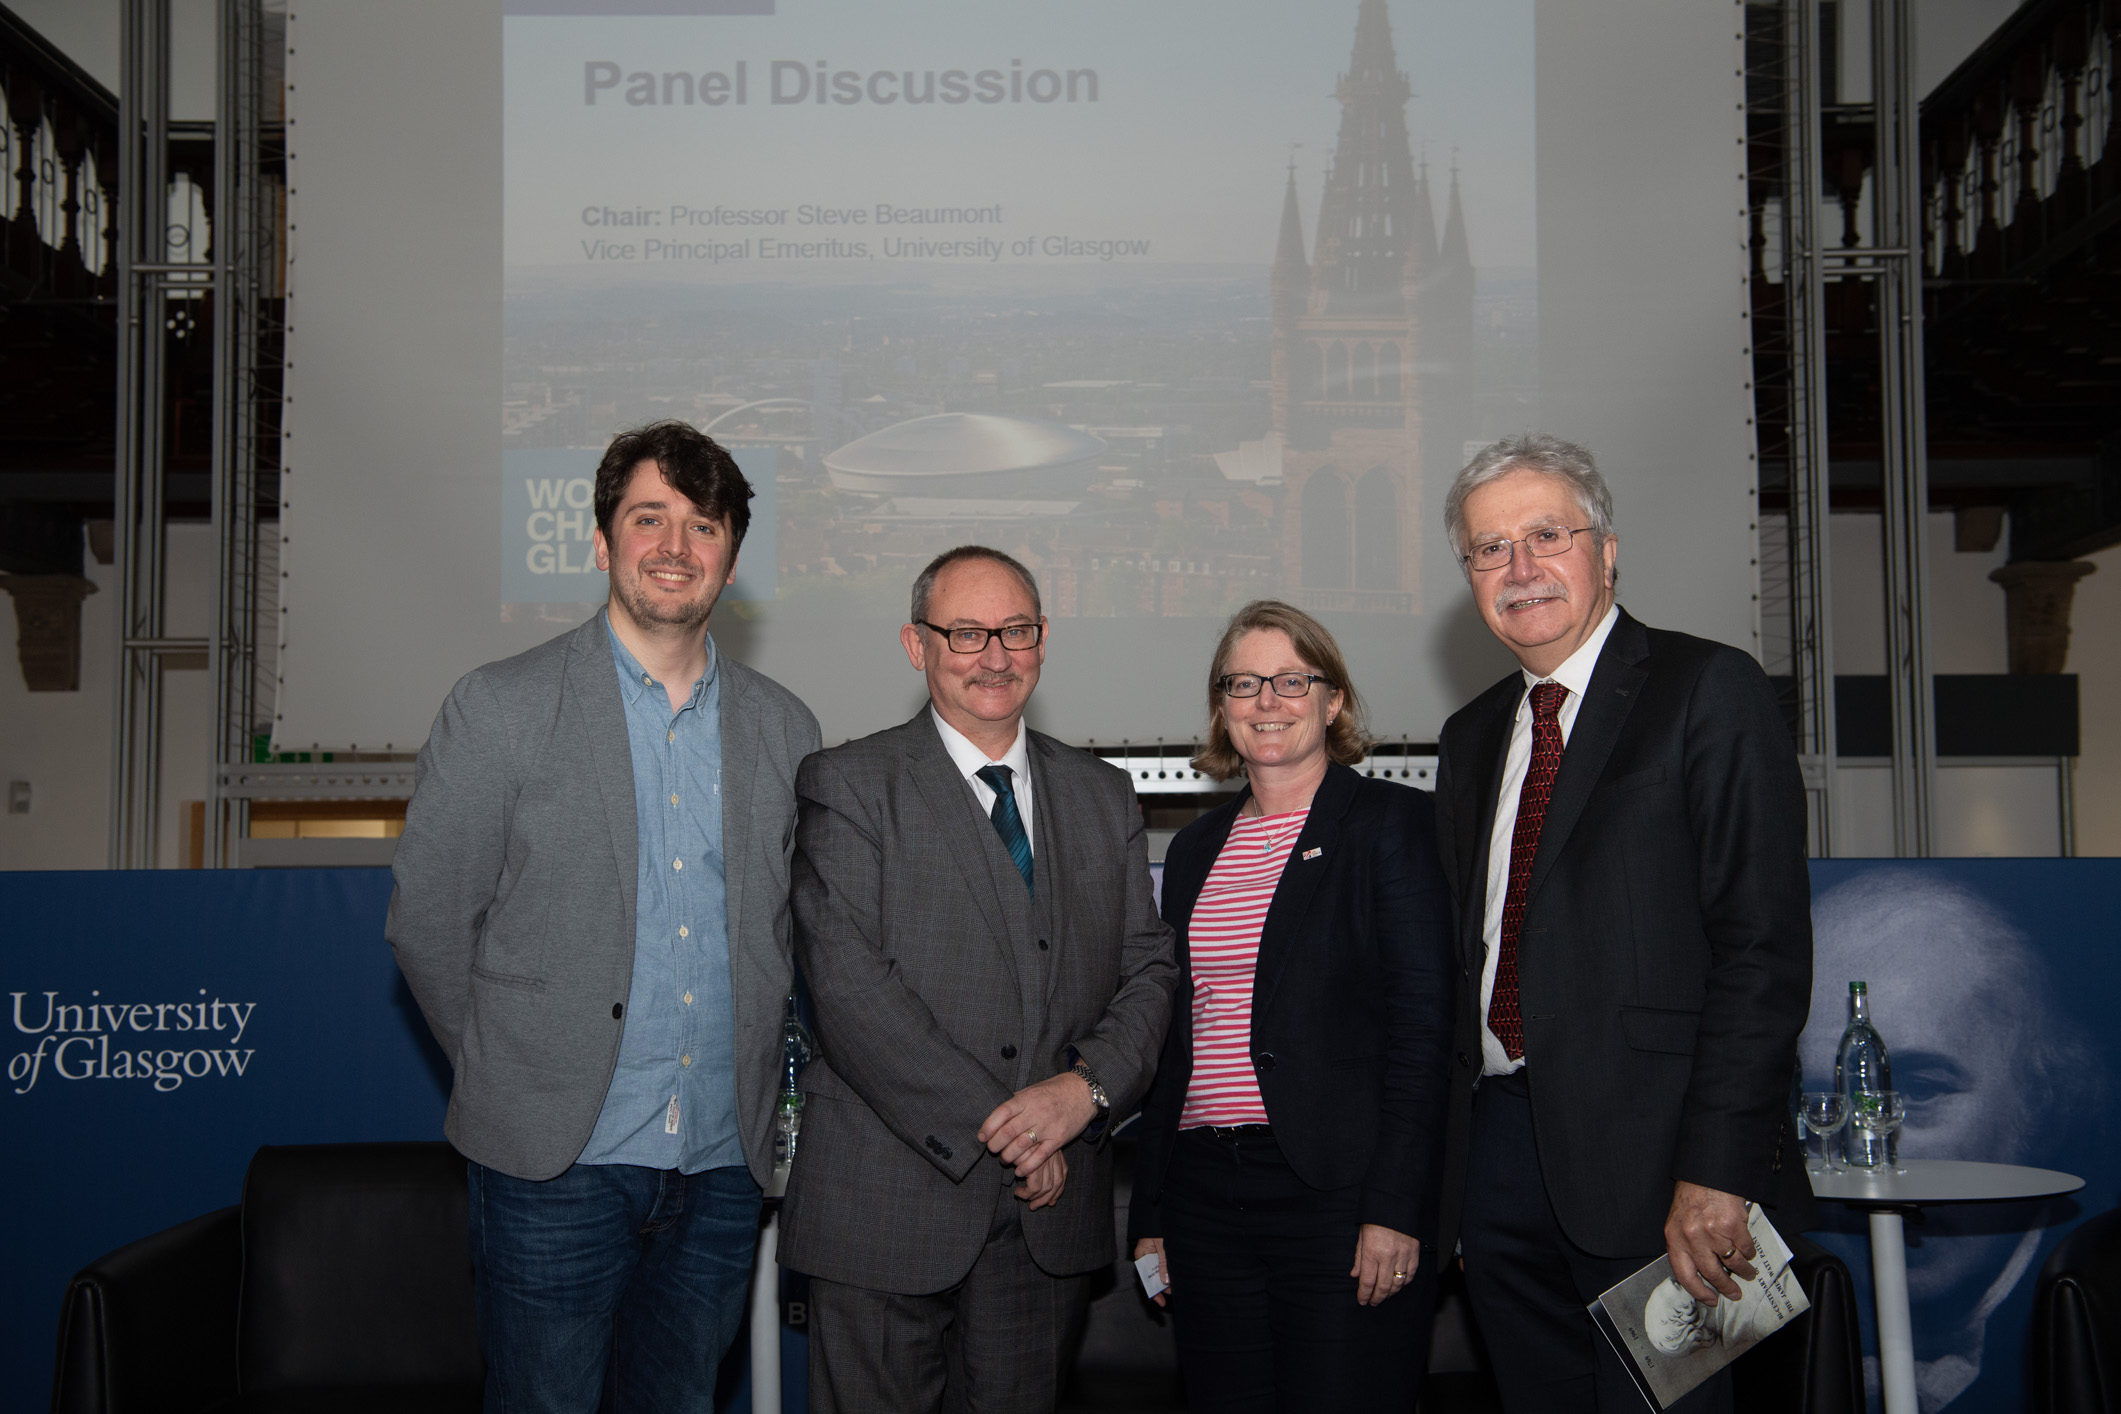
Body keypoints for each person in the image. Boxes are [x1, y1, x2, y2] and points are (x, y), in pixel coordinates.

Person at [386, 420, 821, 1413]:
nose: (676, 547)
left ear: (732, 558)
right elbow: (429, 927)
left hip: (720, 1165)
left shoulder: (788, 730)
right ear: (599, 540)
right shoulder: (497, 708)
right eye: (649, 517)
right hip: (554, 1169)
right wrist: (518, 1069)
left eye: (703, 525)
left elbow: (785, 945)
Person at [1432, 434, 1816, 1413]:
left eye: (1546, 534)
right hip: (1500, 1160)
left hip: (1670, 1173)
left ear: (1606, 550)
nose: (1520, 568)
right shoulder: (1472, 735)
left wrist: (1716, 1171)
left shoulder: (1709, 689)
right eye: (1489, 548)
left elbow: (1761, 951)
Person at [778, 544, 1178, 1414]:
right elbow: (849, 991)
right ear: (914, 646)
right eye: (965, 633)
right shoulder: (847, 784)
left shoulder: (1102, 794)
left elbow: (1147, 972)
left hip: (1046, 1229)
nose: (994, 656)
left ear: (1042, 641)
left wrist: (1083, 1094)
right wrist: (1013, 1135)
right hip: (884, 1215)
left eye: (1016, 631)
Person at [1126, 600, 1455, 1411]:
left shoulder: (1390, 824)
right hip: (1205, 1195)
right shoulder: (1197, 847)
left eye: (1290, 680)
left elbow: (1423, 1030)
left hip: (1336, 1196)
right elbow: (1176, 1036)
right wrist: (1155, 1209)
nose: (1266, 701)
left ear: (1332, 699)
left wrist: (1394, 1209)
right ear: (1220, 707)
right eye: (1242, 683)